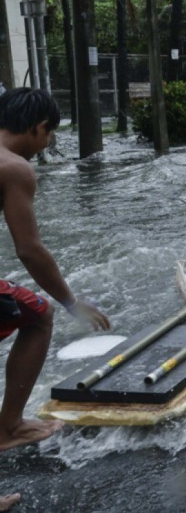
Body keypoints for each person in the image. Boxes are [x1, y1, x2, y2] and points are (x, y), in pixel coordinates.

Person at [0, 88, 110, 454]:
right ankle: (10, 427)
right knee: (40, 315)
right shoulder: (14, 168)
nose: (47, 143)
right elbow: (30, 250)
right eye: (49, 134)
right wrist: (71, 302)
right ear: (39, 127)